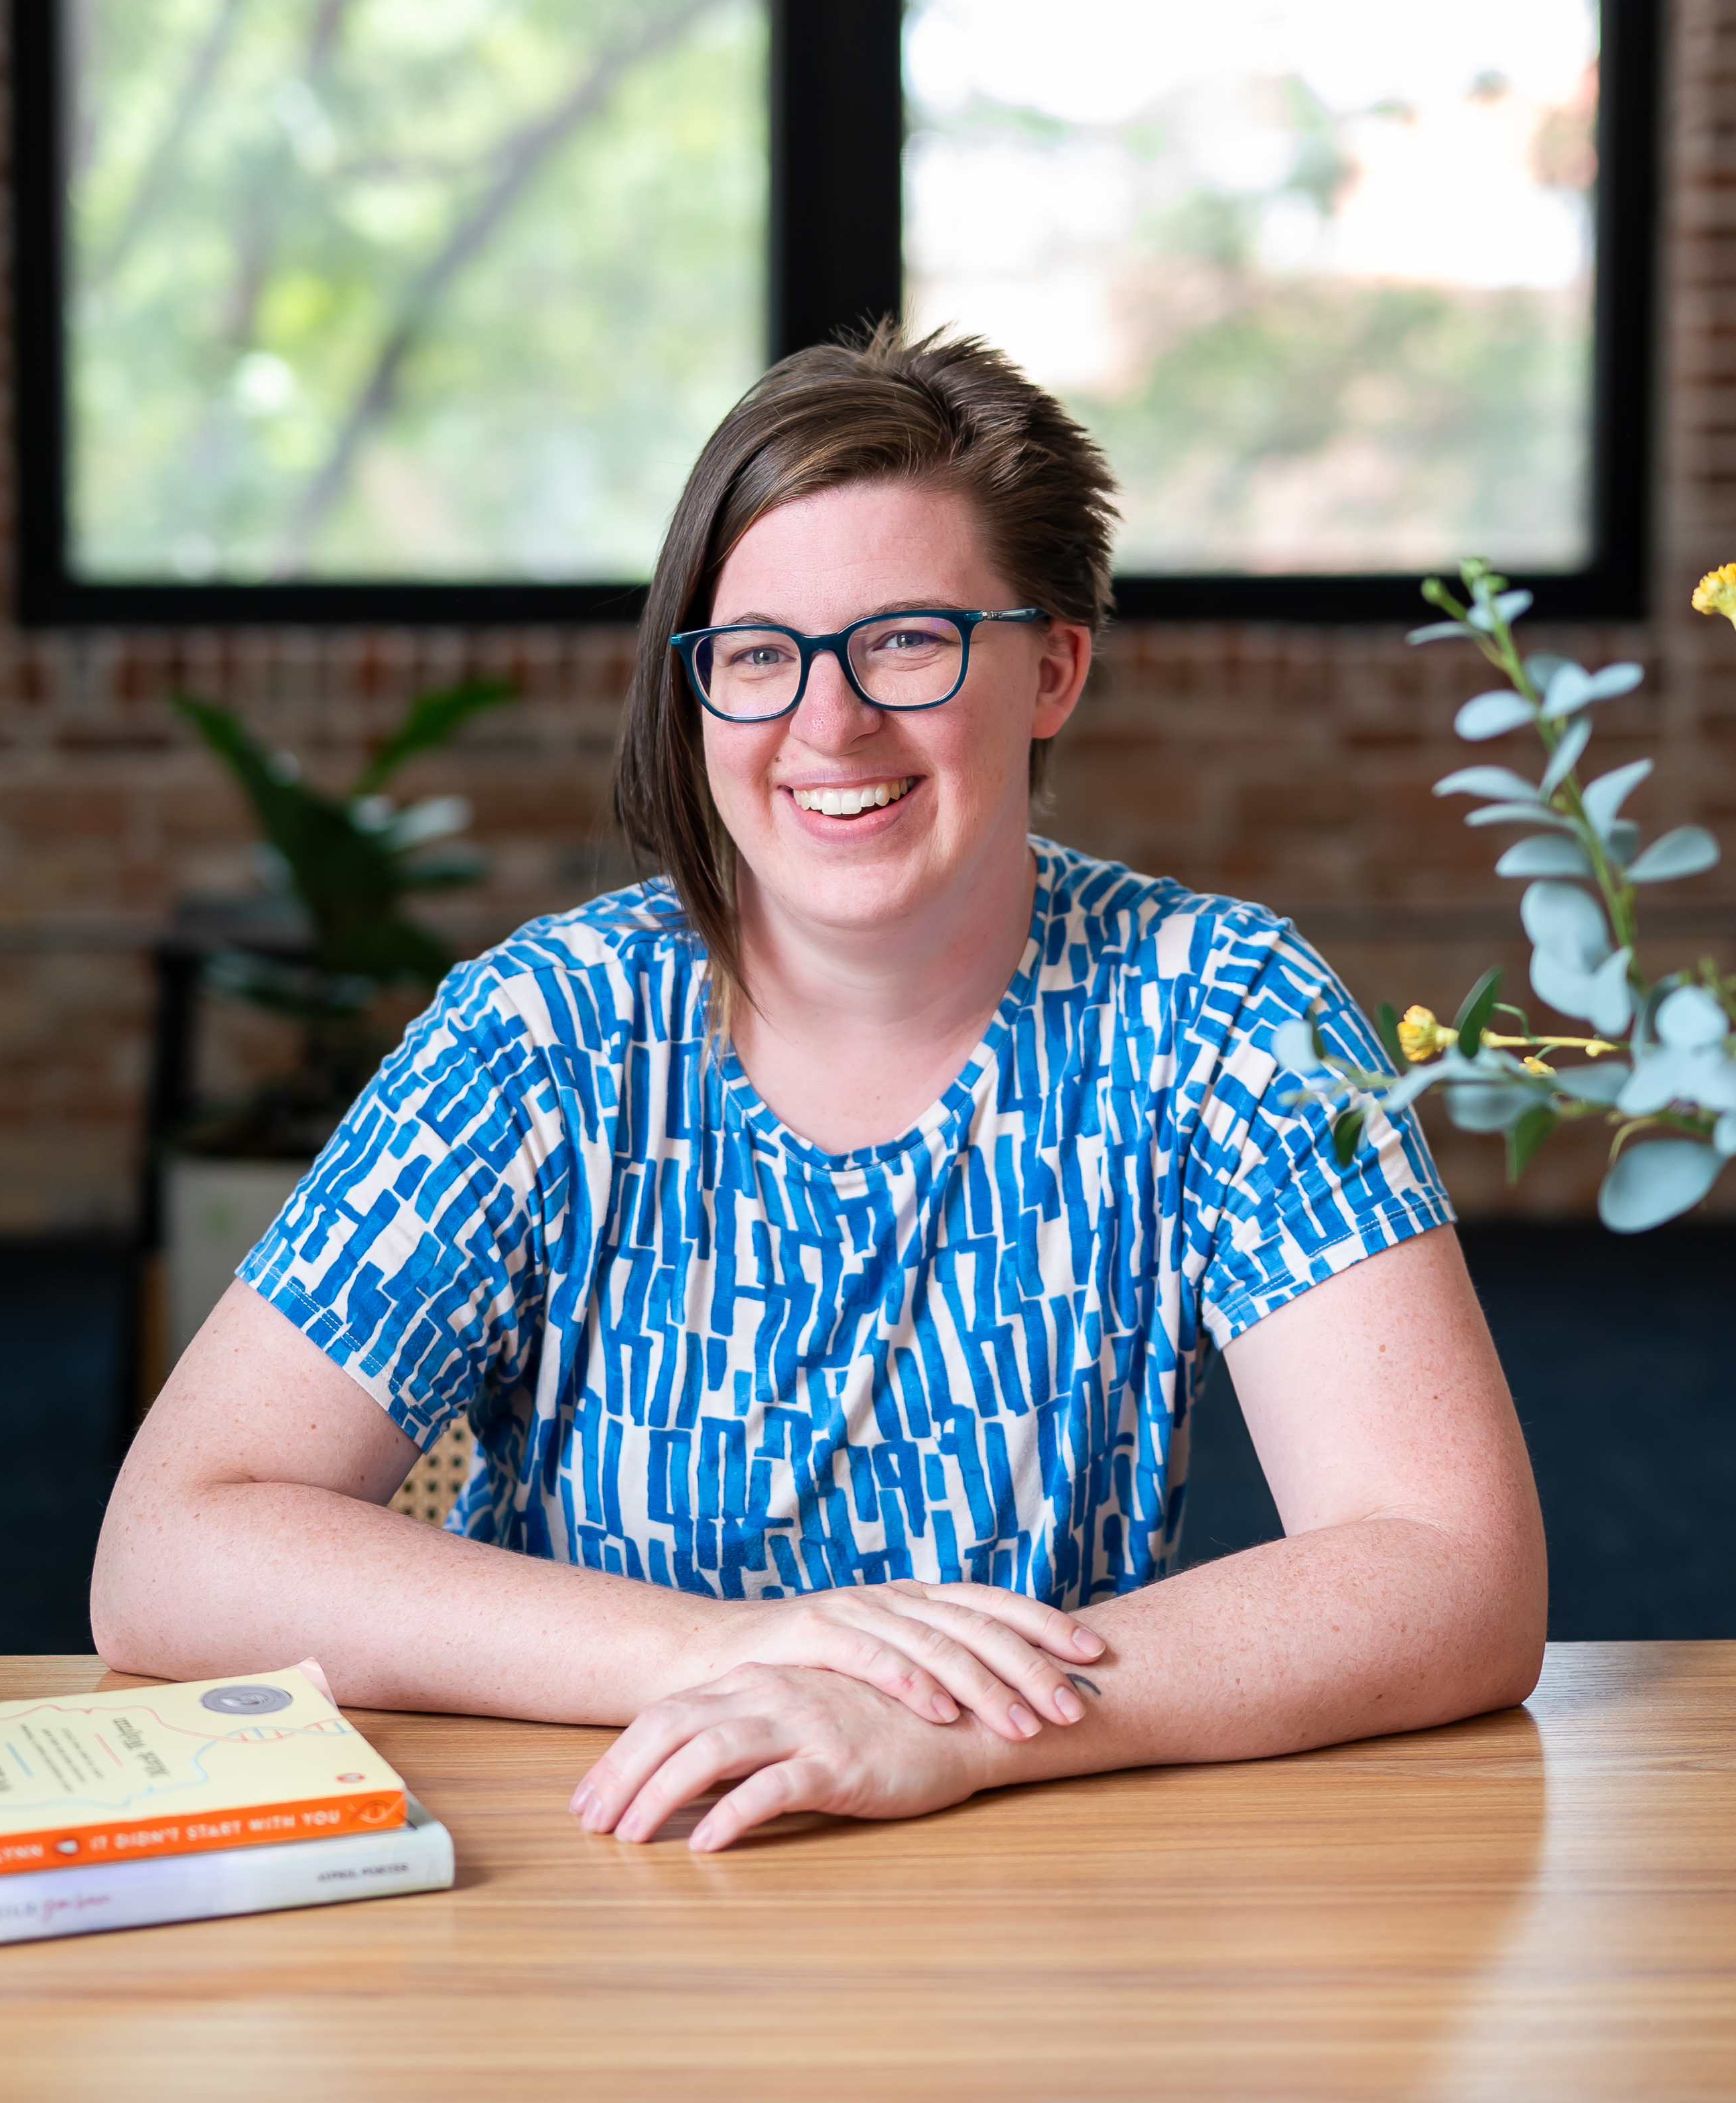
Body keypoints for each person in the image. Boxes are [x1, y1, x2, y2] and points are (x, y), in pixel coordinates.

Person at [92, 329, 1546, 1853]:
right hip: (598, 1846)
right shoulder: (547, 1032)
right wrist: (733, 1658)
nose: (828, 722)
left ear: (1050, 666)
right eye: (758, 652)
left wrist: (950, 1724)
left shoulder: (1221, 1012)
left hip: (1035, 1861)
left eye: (908, 639)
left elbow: (1453, 1563)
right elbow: (169, 1549)